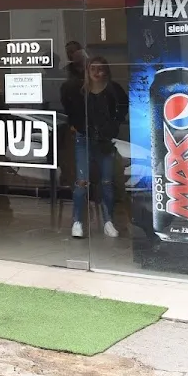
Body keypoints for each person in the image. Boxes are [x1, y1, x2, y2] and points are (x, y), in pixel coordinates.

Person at [64, 56, 129, 239]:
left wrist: (113, 126)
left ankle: (108, 221)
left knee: (107, 181)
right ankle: (78, 221)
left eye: (100, 69)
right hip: (84, 138)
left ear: (106, 71)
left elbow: (122, 109)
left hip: (105, 141)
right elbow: (71, 110)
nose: (97, 73)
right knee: (82, 181)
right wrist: (76, 126)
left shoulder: (113, 89)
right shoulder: (79, 91)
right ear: (87, 71)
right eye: (93, 69)